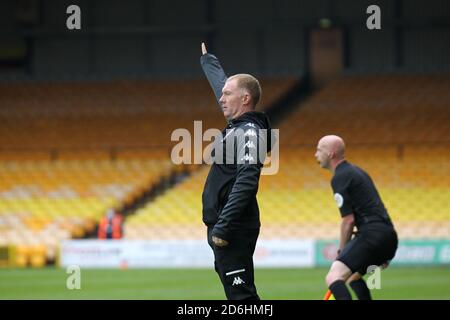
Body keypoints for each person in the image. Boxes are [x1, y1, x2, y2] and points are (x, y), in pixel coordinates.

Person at [200, 42, 272, 300]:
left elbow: (247, 180)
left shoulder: (249, 133)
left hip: (233, 226)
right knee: (237, 294)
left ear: (245, 100)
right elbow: (223, 84)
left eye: (227, 94)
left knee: (242, 297)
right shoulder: (239, 125)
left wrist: (224, 226)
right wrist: (208, 61)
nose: (221, 98)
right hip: (226, 224)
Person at [315, 135, 398, 300]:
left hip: (372, 236)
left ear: (331, 154)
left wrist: (341, 251)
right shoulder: (357, 172)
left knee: (333, 276)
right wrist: (382, 248)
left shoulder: (339, 177)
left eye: (319, 150)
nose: (315, 154)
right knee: (353, 277)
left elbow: (348, 220)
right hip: (388, 236)